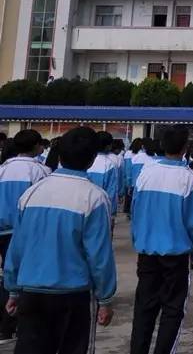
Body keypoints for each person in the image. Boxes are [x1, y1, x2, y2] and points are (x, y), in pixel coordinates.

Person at [4, 126, 116, 354]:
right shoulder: (94, 198)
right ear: (92, 159)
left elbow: (17, 247)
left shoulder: (32, 194)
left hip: (32, 291)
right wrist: (105, 298)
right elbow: (99, 256)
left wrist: (13, 289)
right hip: (72, 295)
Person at [130, 125, 193, 354]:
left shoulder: (146, 173)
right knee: (173, 310)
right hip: (176, 255)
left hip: (147, 252)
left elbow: (136, 210)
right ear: (185, 148)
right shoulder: (189, 179)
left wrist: (139, 238)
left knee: (144, 308)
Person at [0, 129, 47, 344]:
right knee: (21, 278)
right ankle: (16, 322)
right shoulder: (39, 172)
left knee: (5, 275)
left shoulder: (2, 170)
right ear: (36, 146)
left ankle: (4, 327)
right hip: (23, 232)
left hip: (2, 229)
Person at [86, 131, 122, 225]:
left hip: (83, 205)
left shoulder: (87, 159)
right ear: (108, 146)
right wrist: (112, 213)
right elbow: (112, 191)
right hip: (101, 208)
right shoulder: (109, 164)